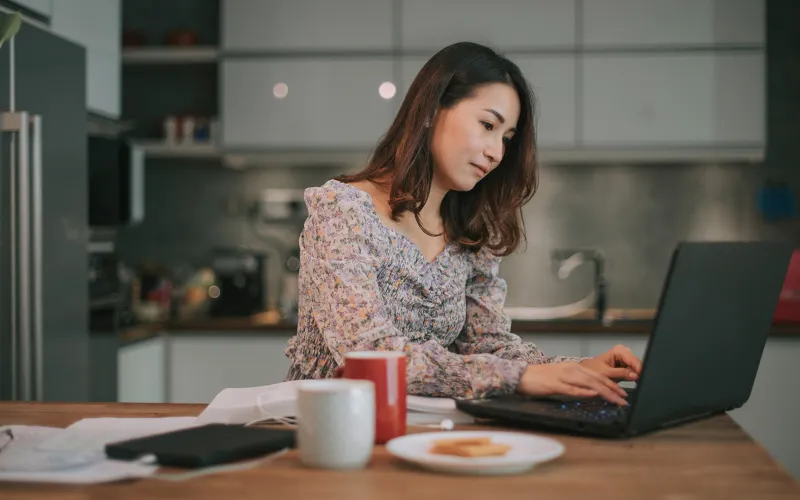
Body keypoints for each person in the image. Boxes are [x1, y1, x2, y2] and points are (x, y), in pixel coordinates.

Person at [284, 42, 642, 405]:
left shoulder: (470, 234)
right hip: (329, 430)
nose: (496, 152)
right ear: (430, 110)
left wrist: (579, 369)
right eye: (487, 125)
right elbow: (368, 351)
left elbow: (489, 346)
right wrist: (521, 378)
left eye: (506, 138)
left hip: (423, 426)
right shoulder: (343, 210)